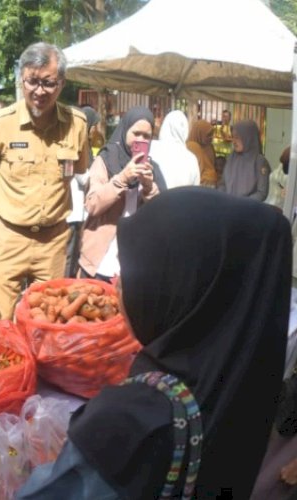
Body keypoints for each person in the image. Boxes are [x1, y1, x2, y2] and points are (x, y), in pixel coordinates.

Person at [17, 187, 290, 499]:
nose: (118, 282)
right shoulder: (246, 379)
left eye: (135, 268)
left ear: (179, 285)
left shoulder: (129, 422)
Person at [0, 42, 89, 320]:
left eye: (48, 83)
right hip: (7, 238)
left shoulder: (78, 124)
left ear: (61, 84)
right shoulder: (0, 123)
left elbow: (78, 169)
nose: (39, 91)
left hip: (53, 240)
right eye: (32, 81)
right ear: (21, 79)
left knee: (47, 321)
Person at [79, 106, 164, 281]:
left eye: (146, 136)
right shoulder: (106, 159)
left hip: (132, 263)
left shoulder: (152, 167)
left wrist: (149, 187)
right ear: (125, 130)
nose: (140, 139)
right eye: (136, 133)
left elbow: (162, 214)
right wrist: (123, 177)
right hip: (100, 261)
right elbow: (92, 204)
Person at [65, 105, 99, 278]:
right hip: (71, 210)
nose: (95, 131)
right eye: (94, 126)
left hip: (77, 211)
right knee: (68, 254)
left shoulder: (83, 142)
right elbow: (79, 174)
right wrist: (98, 177)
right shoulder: (74, 143)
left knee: (73, 252)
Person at [218, 119, 270, 201]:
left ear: (248, 137)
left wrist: (242, 204)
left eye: (238, 138)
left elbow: (261, 193)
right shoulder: (232, 157)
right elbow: (223, 184)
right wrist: (223, 199)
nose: (234, 141)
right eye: (233, 137)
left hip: (248, 209)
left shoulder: (259, 161)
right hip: (227, 206)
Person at [149, 110, 200, 189]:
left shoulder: (151, 147)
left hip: (155, 200)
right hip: (180, 201)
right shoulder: (191, 159)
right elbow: (195, 190)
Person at [186, 119, 219, 187]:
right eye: (208, 135)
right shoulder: (192, 146)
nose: (211, 138)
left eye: (211, 135)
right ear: (199, 133)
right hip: (200, 184)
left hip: (211, 182)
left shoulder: (209, 147)